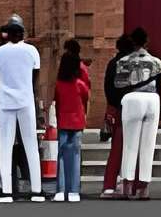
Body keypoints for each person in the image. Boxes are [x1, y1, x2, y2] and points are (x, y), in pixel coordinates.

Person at [0, 16, 43, 204]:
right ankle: (36, 190)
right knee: (31, 145)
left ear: (7, 35)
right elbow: (35, 76)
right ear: (22, 34)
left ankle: (7, 192)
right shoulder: (32, 51)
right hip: (26, 101)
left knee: (5, 146)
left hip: (5, 103)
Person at [110, 28, 161, 201]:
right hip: (152, 100)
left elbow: (118, 85)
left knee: (130, 144)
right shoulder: (157, 62)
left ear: (132, 42)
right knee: (148, 145)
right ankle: (144, 188)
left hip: (132, 98)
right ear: (146, 41)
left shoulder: (123, 61)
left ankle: (127, 185)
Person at [51, 39, 90, 202]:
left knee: (61, 155)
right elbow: (85, 98)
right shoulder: (80, 84)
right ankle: (74, 190)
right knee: (75, 155)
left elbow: (57, 101)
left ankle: (61, 190)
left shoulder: (59, 84)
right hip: (77, 121)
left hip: (63, 120)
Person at [101, 34, 132, 198]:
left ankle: (109, 185)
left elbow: (107, 86)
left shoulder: (112, 63)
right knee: (132, 149)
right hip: (131, 108)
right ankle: (129, 184)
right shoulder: (132, 64)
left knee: (116, 149)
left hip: (116, 108)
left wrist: (112, 105)